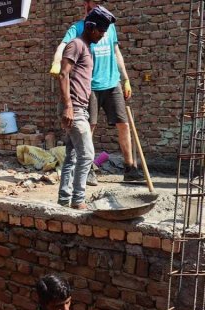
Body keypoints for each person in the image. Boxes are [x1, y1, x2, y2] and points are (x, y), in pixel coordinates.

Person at [50, 0, 144, 184]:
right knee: (89, 128)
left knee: (123, 124)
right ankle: (88, 169)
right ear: (86, 7)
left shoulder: (108, 26)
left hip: (112, 82)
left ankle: (130, 167)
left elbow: (116, 52)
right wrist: (56, 61)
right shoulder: (77, 28)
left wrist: (125, 79)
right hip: (90, 86)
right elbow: (62, 46)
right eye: (91, 5)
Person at [57, 6, 115, 209]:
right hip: (74, 109)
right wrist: (68, 107)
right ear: (90, 27)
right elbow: (63, 74)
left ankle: (64, 198)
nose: (102, 35)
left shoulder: (86, 47)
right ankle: (78, 200)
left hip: (80, 107)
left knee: (72, 156)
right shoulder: (76, 45)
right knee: (87, 155)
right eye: (100, 31)